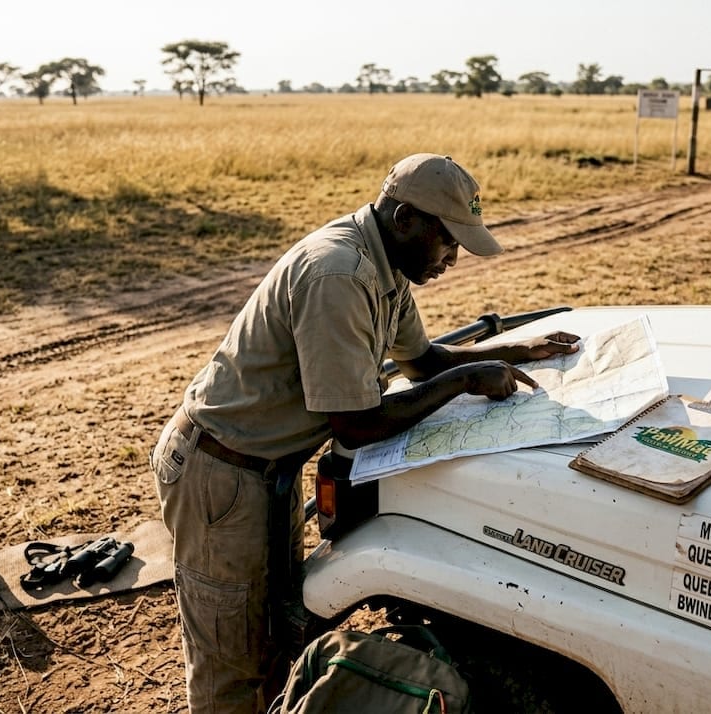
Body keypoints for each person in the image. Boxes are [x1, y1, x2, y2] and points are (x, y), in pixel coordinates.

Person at [150, 153, 581, 713]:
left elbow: (423, 361)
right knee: (231, 665)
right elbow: (358, 420)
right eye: (448, 241)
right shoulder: (339, 274)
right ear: (405, 219)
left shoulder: (386, 266)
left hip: (265, 472)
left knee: (276, 635)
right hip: (222, 474)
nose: (453, 258)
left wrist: (513, 349)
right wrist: (468, 380)